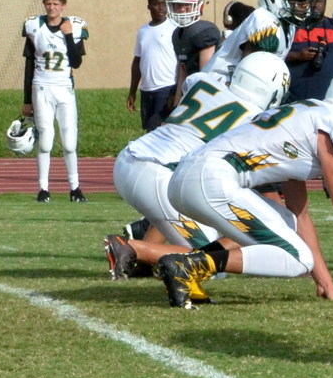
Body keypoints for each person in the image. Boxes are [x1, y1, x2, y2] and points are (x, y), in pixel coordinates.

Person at [157, 70, 333, 309]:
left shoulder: (309, 114)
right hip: (211, 178)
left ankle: (186, 267)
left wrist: (327, 285)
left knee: (287, 222)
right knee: (299, 261)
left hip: (186, 177)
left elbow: (299, 214)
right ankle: (190, 265)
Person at [104, 54, 293, 281]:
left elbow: (188, 85)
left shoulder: (204, 82)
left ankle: (144, 259)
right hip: (160, 175)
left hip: (130, 158)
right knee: (207, 265)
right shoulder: (255, 121)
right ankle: (131, 248)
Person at [22, 0, 88, 203]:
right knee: (46, 141)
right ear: (44, 4)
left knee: (69, 142)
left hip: (64, 88)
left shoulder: (73, 27)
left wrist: (68, 36)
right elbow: (29, 64)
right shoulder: (35, 26)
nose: (52, 7)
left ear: (63, 6)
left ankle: (75, 188)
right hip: (41, 87)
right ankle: (43, 189)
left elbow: (76, 63)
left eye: (56, 4)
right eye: (49, 4)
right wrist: (26, 100)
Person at [127, 0, 176, 131]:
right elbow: (137, 61)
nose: (161, 8)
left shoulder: (173, 28)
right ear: (149, 7)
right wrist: (132, 91)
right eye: (156, 4)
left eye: (164, 4)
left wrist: (175, 90)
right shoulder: (143, 31)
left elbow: (180, 61)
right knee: (149, 131)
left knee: (158, 128)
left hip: (166, 87)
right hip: (147, 89)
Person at [285, 0, 333, 103]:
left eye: (319, 1)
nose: (315, 4)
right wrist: (298, 56)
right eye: (312, 1)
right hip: (299, 100)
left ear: (325, 4)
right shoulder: (293, 25)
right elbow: (277, 56)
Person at [166, 0, 220, 84]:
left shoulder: (204, 32)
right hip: (190, 90)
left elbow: (205, 78)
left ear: (199, 4)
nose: (182, 9)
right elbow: (183, 73)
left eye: (187, 5)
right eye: (178, 5)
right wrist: (178, 100)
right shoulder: (177, 34)